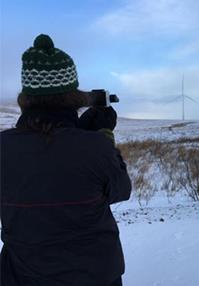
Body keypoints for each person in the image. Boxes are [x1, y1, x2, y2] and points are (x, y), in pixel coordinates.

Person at [0, 34, 132, 285]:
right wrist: (101, 137)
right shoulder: (96, 148)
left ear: (26, 98)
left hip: (21, 276)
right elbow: (120, 191)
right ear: (73, 96)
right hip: (96, 276)